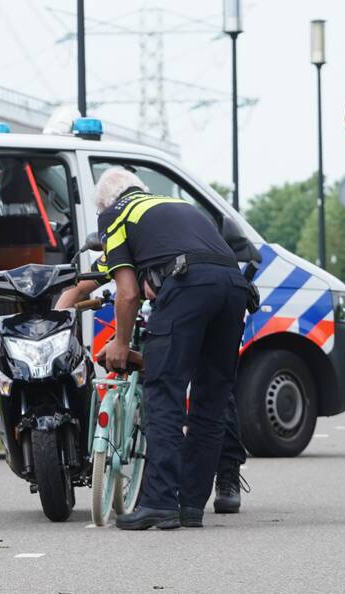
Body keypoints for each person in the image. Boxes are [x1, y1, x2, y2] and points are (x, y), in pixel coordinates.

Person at [82, 167, 247, 530]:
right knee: (211, 401)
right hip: (234, 288)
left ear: (104, 204)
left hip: (189, 285)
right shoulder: (177, 206)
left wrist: (121, 343)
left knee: (164, 391)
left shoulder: (116, 215)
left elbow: (127, 293)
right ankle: (191, 506)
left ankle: (158, 502)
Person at [55, 253, 250, 516]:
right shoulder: (121, 252)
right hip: (150, 323)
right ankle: (158, 487)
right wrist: (55, 324)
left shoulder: (169, 249)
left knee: (211, 390)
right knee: (156, 392)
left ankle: (227, 472)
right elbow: (79, 289)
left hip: (191, 311)